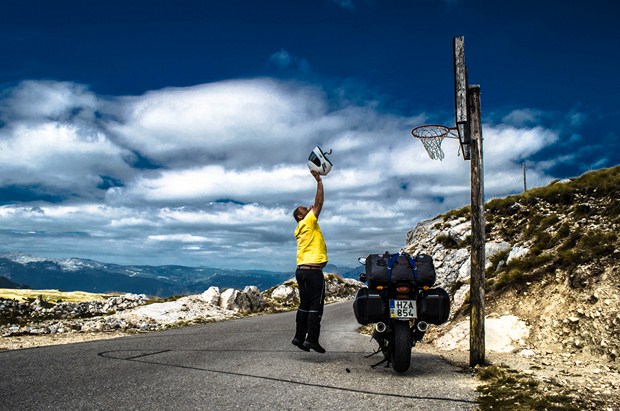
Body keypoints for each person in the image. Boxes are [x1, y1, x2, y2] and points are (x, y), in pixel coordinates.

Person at [291, 170, 328, 353]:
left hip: (301, 270)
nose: (308, 208)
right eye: (304, 209)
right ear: (300, 216)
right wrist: (319, 181)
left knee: (304, 305)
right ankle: (311, 339)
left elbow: (313, 207)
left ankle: (299, 337)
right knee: (316, 306)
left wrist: (309, 213)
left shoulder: (299, 228)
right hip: (313, 271)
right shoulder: (308, 222)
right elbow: (320, 202)